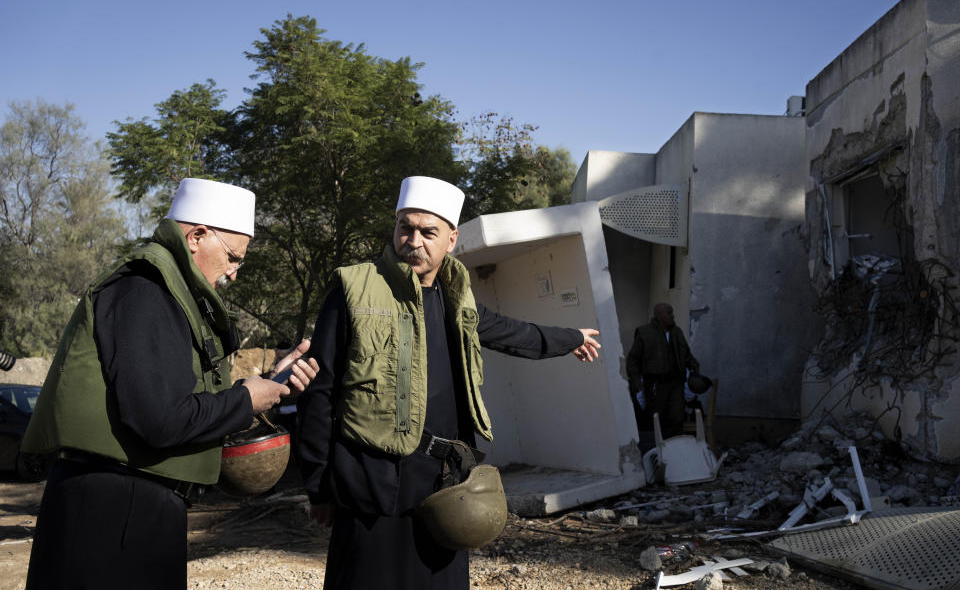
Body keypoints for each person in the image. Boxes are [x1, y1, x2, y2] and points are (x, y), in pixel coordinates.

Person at [296, 176, 602, 590]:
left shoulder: (457, 299)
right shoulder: (353, 289)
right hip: (371, 484)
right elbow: (319, 391)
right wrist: (318, 485)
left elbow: (513, 333)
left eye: (428, 232)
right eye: (406, 227)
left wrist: (571, 339)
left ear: (451, 239)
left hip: (443, 484)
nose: (413, 240)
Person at [21, 178, 320, 590]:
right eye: (233, 258)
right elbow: (159, 419)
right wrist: (244, 399)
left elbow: (181, 404)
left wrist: (267, 388)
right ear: (197, 236)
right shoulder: (147, 289)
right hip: (115, 511)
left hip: (134, 505)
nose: (234, 275)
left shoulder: (168, 291)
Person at [626, 302, 700, 440]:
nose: (673, 316)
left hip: (676, 383)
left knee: (676, 418)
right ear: (659, 315)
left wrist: (694, 370)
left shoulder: (676, 332)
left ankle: (674, 452)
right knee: (656, 419)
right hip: (655, 384)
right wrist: (637, 382)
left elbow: (687, 356)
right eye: (669, 313)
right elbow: (633, 360)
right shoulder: (645, 333)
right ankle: (659, 454)